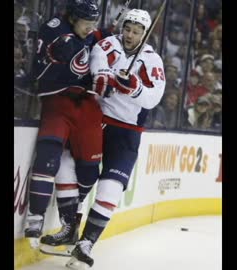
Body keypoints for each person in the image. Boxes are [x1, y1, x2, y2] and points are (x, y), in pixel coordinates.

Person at [40, 9, 166, 269]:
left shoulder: (152, 60)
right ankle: (69, 225)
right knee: (67, 165)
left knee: (110, 187)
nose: (130, 35)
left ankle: (86, 244)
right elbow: (98, 61)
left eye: (136, 32)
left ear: (144, 34)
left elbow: (153, 99)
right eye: (128, 29)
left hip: (127, 132)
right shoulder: (108, 44)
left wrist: (134, 87)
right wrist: (104, 77)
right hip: (97, 121)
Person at [21, 0, 111, 246]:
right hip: (57, 101)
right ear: (72, 18)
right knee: (47, 157)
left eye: (94, 24)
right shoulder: (55, 28)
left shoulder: (91, 35)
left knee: (89, 170)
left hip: (87, 105)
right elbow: (65, 52)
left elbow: (101, 51)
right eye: (86, 23)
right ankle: (36, 216)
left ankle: (71, 222)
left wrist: (105, 71)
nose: (90, 29)